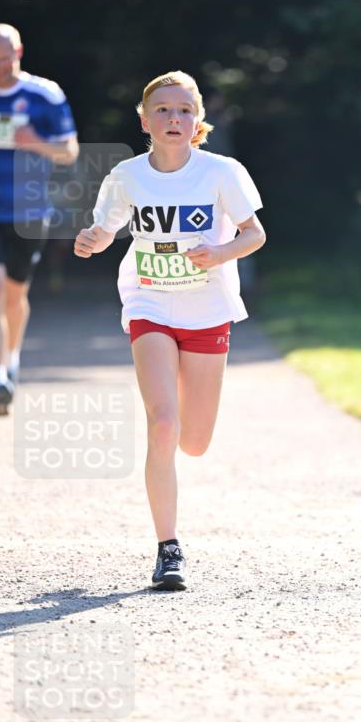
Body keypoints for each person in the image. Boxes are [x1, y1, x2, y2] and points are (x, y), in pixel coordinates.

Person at [73, 70, 266, 590]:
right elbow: (106, 229)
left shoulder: (222, 172)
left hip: (207, 310)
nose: (174, 118)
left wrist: (221, 253)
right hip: (149, 301)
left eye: (184, 109)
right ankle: (168, 548)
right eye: (163, 109)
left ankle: (182, 425)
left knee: (194, 440)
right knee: (163, 425)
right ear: (144, 120)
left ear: (197, 120)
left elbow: (255, 233)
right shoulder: (127, 176)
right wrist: (92, 239)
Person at [0, 23, 79, 415]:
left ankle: (13, 357)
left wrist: (34, 143)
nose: (0, 67)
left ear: (19, 52)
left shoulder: (45, 95)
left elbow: (69, 152)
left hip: (28, 210)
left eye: (6, 59)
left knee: (13, 295)